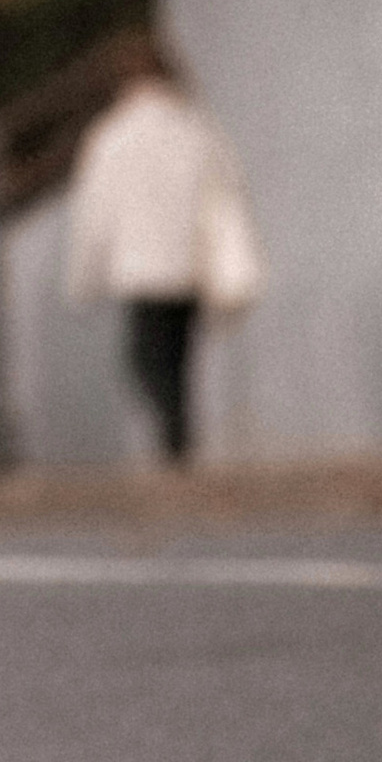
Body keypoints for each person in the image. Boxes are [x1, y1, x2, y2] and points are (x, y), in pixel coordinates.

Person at [62, 41, 265, 461]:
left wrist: (83, 275)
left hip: (140, 267)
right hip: (188, 263)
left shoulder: (112, 136)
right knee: (178, 358)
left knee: (144, 360)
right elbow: (227, 194)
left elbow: (95, 212)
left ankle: (173, 435)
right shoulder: (196, 129)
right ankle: (178, 434)